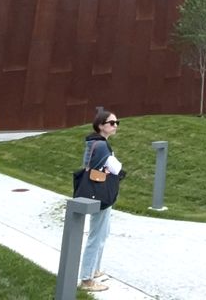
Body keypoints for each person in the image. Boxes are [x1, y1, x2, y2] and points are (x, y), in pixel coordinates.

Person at [79, 109, 121, 291]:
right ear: (101, 126)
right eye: (112, 123)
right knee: (96, 236)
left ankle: (94, 269)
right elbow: (116, 168)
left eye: (117, 122)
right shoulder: (102, 146)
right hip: (100, 193)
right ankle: (86, 279)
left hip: (96, 191)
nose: (115, 125)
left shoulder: (93, 142)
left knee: (102, 233)